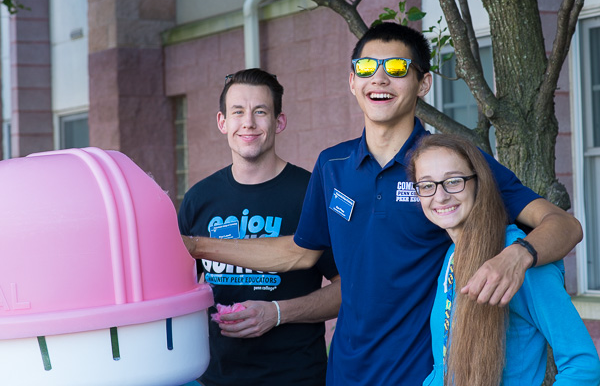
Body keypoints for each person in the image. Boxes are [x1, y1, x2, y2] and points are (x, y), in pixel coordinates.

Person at [182, 23, 583, 385]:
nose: (379, 78)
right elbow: (301, 253)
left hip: (423, 372)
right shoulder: (332, 164)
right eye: (366, 67)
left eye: (396, 69)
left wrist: (518, 256)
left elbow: (564, 226)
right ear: (352, 82)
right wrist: (195, 245)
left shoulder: (449, 166)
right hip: (344, 370)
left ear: (423, 83)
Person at [178, 68, 341, 386]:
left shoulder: (310, 193)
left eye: (260, 112)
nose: (248, 122)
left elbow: (348, 289)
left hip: (295, 378)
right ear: (222, 122)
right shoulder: (199, 198)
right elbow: (179, 289)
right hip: (213, 378)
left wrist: (277, 313)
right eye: (238, 112)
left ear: (279, 122)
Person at [408, 133, 600, 385]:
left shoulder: (517, 259)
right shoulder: (451, 257)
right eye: (427, 185)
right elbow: (442, 370)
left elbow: (582, 365)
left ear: (479, 182)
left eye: (454, 181)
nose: (440, 196)